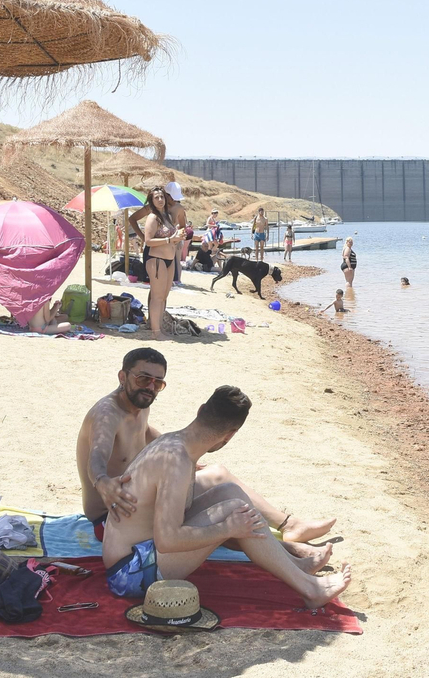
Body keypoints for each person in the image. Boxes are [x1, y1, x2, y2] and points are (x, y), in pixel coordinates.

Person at [100, 385, 352, 608]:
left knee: (229, 493)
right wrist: (226, 528)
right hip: (129, 573)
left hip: (139, 554)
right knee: (234, 512)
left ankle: (296, 567)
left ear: (200, 410)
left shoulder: (174, 444)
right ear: (229, 435)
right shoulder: (175, 462)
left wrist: (229, 525)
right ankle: (311, 590)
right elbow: (167, 540)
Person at [77, 352, 338, 560]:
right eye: (143, 379)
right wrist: (102, 481)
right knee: (218, 518)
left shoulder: (138, 404)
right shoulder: (107, 413)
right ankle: (292, 551)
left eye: (158, 382)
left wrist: (184, 458)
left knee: (218, 475)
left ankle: (288, 525)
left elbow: (146, 434)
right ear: (123, 376)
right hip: (113, 514)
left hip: (139, 498)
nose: (150, 387)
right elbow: (97, 455)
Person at [139, 187, 186, 338]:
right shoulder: (153, 217)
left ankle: (158, 328)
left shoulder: (166, 216)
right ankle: (155, 332)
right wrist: (169, 239)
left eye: (162, 197)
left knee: (163, 296)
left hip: (169, 259)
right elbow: (148, 240)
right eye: (156, 197)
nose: (160, 200)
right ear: (152, 201)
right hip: (156, 259)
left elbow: (173, 234)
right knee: (157, 297)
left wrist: (178, 236)